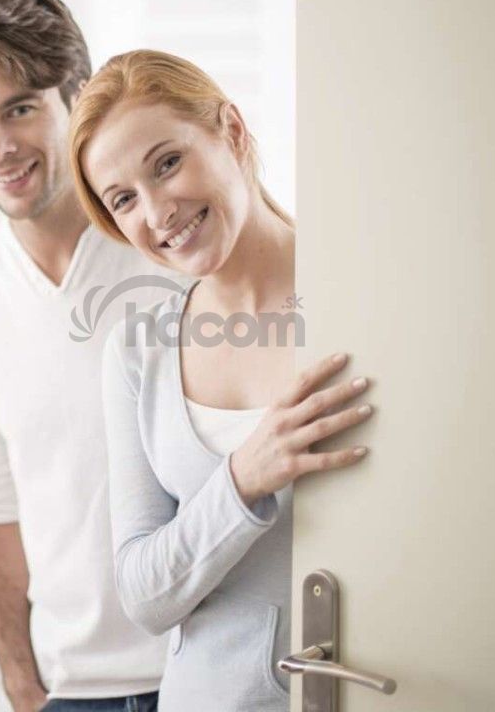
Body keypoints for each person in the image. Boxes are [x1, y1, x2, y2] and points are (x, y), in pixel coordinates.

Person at [68, 50, 375, 710]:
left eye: (167, 163)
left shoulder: (364, 297)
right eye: (124, 199)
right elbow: (144, 595)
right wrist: (242, 480)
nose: (158, 213)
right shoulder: (139, 351)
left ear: (231, 131)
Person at [0, 0, 177, 712]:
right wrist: (21, 681)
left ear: (78, 99)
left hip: (204, 671)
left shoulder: (172, 252)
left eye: (20, 109)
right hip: (70, 690)